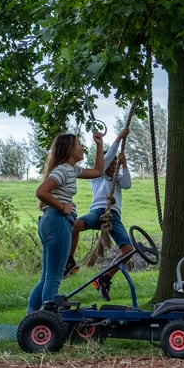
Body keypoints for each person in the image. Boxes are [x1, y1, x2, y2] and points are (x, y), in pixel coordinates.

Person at [26, 131, 104, 313]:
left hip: (49, 222)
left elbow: (98, 171)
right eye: (78, 144)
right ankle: (48, 321)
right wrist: (62, 206)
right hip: (58, 221)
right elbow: (41, 191)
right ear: (69, 149)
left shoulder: (70, 169)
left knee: (46, 277)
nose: (82, 147)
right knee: (54, 278)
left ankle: (31, 317)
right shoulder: (62, 170)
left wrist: (99, 145)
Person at [63, 127, 132, 301]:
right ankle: (69, 260)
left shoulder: (116, 181)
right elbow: (106, 158)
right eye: (112, 164)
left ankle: (105, 278)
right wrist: (118, 138)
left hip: (113, 216)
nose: (113, 166)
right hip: (98, 212)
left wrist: (124, 165)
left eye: (116, 165)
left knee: (129, 250)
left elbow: (127, 183)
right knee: (75, 225)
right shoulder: (97, 177)